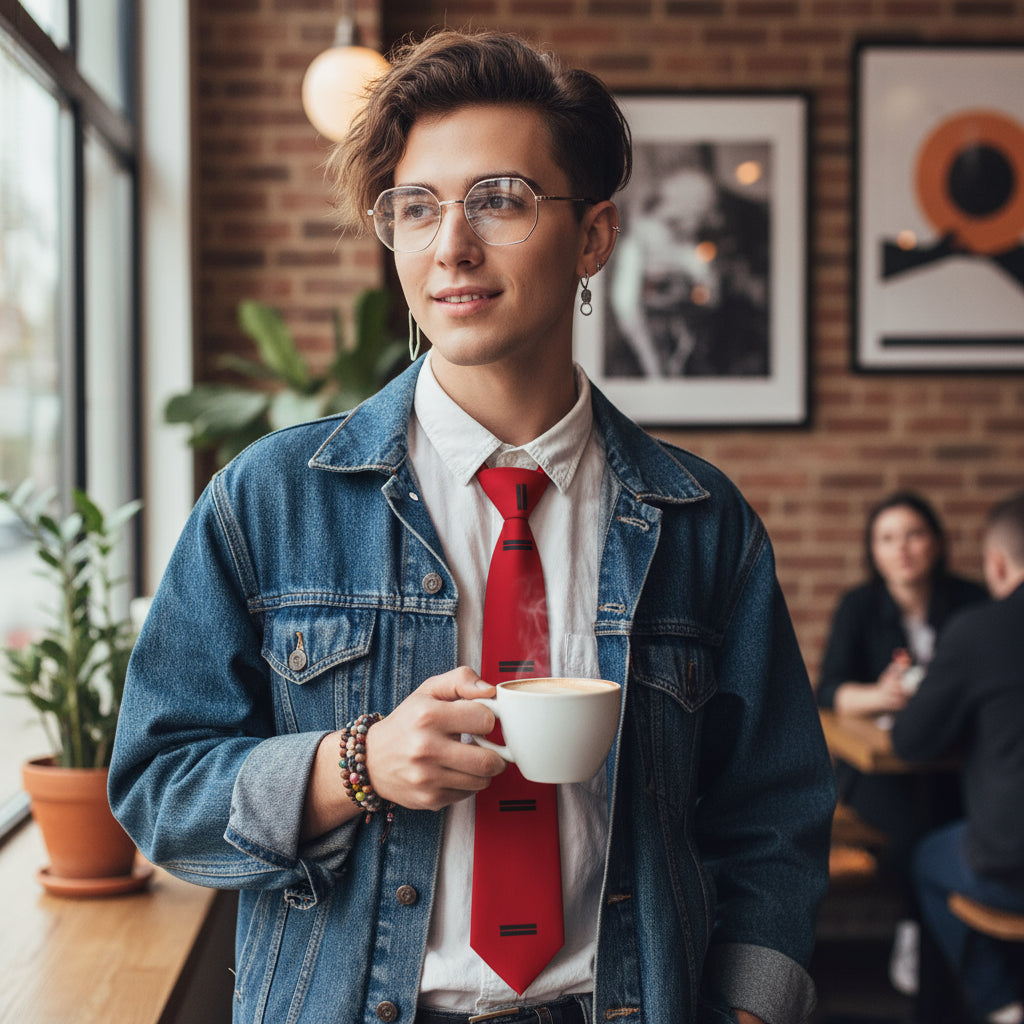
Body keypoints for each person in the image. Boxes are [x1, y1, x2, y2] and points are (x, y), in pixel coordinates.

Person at [108, 29, 835, 1024]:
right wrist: (351, 766)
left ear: (592, 236)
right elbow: (158, 785)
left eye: (499, 199)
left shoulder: (699, 523)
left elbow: (775, 815)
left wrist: (750, 1010)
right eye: (417, 207)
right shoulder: (268, 500)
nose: (450, 245)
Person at [816, 491, 987, 993]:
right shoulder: (859, 606)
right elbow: (829, 691)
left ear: (936, 543)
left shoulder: (971, 604)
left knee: (952, 816)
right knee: (917, 830)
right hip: (875, 773)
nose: (902, 549)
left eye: (914, 535)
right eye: (887, 539)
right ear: (873, 551)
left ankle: (941, 938)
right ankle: (922, 926)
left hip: (956, 765)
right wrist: (878, 694)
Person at [891, 492, 1024, 1024]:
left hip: (1009, 868)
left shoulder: (980, 629)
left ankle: (1002, 1004)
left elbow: (910, 742)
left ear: (996, 563)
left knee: (926, 859)